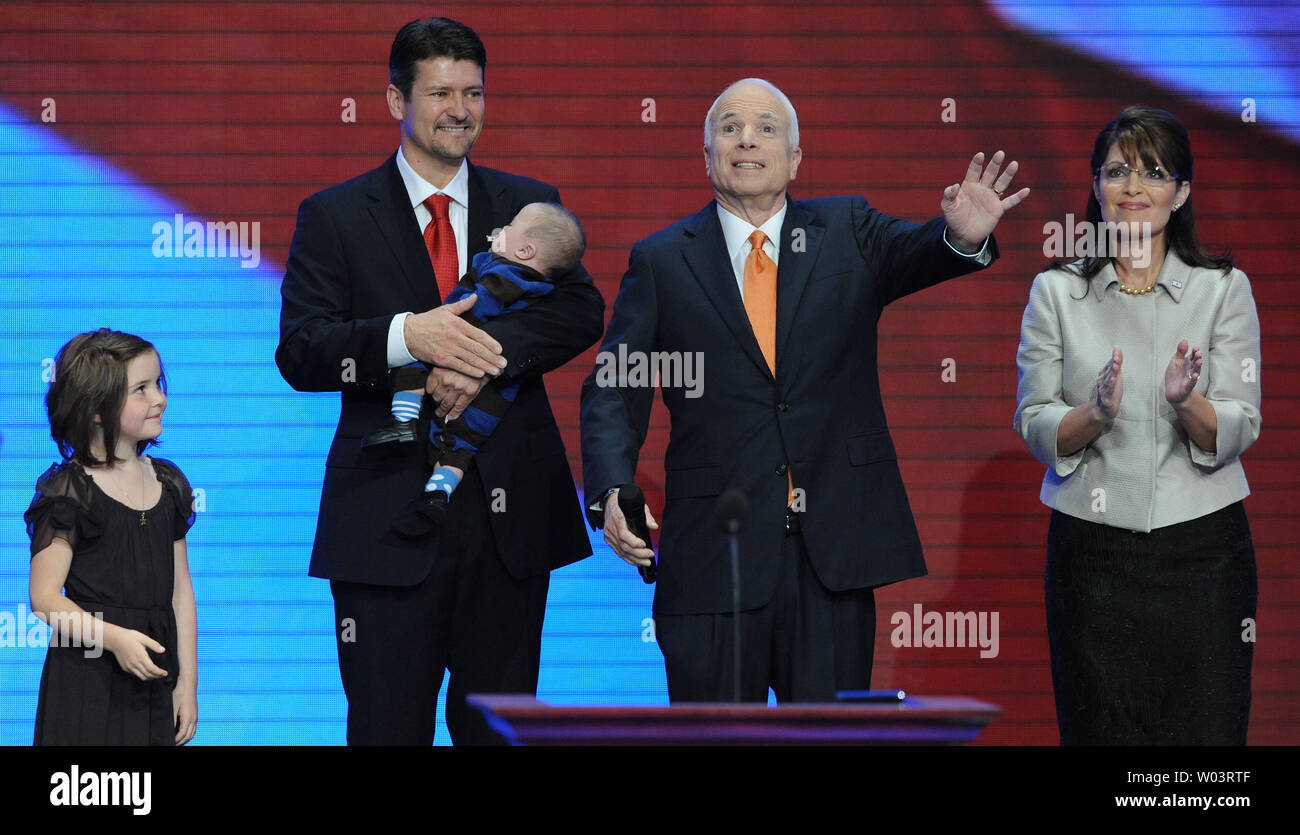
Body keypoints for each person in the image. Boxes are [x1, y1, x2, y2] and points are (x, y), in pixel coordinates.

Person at [580, 78, 1027, 703]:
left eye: (767, 128)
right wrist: (608, 489)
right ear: (706, 154)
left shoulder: (848, 229)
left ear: (795, 158)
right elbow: (614, 385)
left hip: (832, 553)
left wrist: (962, 237)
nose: (747, 139)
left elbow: (920, 252)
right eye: (730, 127)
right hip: (716, 555)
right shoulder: (661, 260)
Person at [275, 17, 603, 745]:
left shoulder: (527, 203)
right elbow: (301, 350)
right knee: (387, 731)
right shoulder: (333, 216)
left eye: (474, 92)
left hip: (508, 527)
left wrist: (477, 351)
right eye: (442, 92)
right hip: (384, 526)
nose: (461, 109)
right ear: (396, 101)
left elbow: (582, 309)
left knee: (498, 733)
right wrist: (407, 335)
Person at [1014, 105, 1260, 745]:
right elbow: (1034, 420)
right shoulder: (1057, 292)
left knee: (1205, 745)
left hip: (1203, 552)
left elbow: (1242, 421)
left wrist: (1186, 402)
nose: (1133, 188)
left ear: (1180, 193)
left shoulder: (1223, 289)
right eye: (1118, 171)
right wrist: (1093, 414)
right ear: (1095, 186)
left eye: (1154, 173)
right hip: (1092, 555)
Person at [361, 202, 587, 537]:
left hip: (508, 482)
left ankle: (403, 420)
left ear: (525, 250)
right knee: (458, 447)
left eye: (510, 226)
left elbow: (582, 314)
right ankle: (437, 495)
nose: (502, 230)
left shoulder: (503, 274)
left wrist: (454, 347)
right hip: (497, 401)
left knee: (412, 358)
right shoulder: (533, 281)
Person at [25, 329, 198, 745]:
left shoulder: (169, 482)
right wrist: (115, 640)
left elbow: (180, 593)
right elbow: (45, 598)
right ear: (97, 408)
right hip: (87, 678)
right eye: (140, 389)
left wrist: (187, 685)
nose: (159, 398)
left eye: (158, 383)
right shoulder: (70, 491)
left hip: (155, 675)